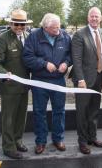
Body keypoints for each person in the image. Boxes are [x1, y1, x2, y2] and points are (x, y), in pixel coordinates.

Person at [23, 13, 72, 155]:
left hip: (58, 80)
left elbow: (70, 54)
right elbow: (27, 57)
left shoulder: (64, 36)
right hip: (40, 80)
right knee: (39, 112)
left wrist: (66, 63)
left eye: (59, 27)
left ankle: (58, 139)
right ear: (45, 27)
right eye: (54, 29)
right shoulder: (34, 37)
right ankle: (40, 141)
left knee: (59, 111)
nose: (58, 31)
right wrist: (44, 64)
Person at [0, 9, 32, 160]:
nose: (19, 27)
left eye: (22, 24)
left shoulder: (28, 37)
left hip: (23, 86)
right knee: (9, 118)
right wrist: (3, 73)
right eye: (16, 24)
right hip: (8, 87)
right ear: (10, 23)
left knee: (21, 117)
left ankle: (18, 141)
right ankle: (8, 147)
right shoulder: (2, 39)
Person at [71, 7, 102, 154]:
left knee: (94, 110)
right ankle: (82, 141)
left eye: (97, 16)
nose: (94, 19)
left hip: (98, 78)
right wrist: (80, 79)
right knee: (82, 111)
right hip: (84, 80)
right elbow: (77, 59)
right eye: (92, 16)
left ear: (101, 18)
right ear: (88, 18)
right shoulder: (79, 35)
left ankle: (92, 137)